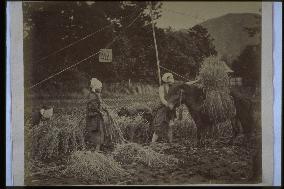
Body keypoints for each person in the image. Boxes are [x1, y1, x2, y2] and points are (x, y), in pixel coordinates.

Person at [152, 73, 200, 143]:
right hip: (163, 109)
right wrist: (169, 105)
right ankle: (152, 143)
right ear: (167, 80)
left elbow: (186, 84)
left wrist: (196, 81)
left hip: (171, 109)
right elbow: (162, 100)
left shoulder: (175, 86)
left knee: (170, 125)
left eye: (172, 77)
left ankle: (170, 142)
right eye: (171, 78)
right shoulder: (161, 88)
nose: (173, 79)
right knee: (158, 126)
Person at [85, 78, 107, 152]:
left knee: (98, 132)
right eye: (100, 87)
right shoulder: (93, 96)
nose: (101, 88)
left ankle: (96, 149)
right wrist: (100, 111)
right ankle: (96, 150)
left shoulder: (96, 95)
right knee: (97, 132)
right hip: (94, 117)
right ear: (96, 88)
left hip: (95, 116)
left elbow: (98, 105)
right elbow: (93, 106)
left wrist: (103, 109)